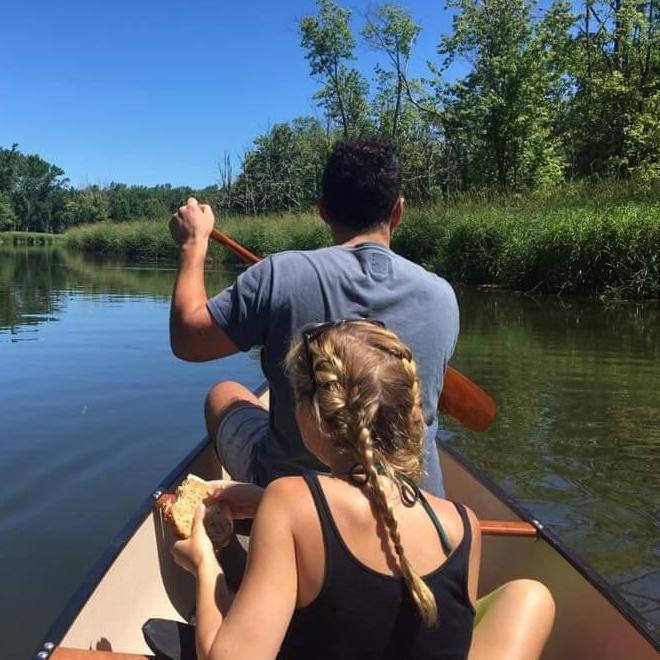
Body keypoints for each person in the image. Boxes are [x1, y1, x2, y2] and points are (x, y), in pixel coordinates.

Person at [172, 322, 555, 660]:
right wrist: (260, 503)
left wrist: (206, 563)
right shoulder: (462, 525)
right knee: (531, 596)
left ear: (311, 413)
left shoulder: (288, 499)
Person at [169, 138, 459, 497]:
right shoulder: (443, 297)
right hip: (413, 497)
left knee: (223, 394)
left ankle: (223, 521)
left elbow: (188, 339)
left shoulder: (281, 274)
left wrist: (193, 244)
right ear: (398, 211)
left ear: (323, 211)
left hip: (293, 493)